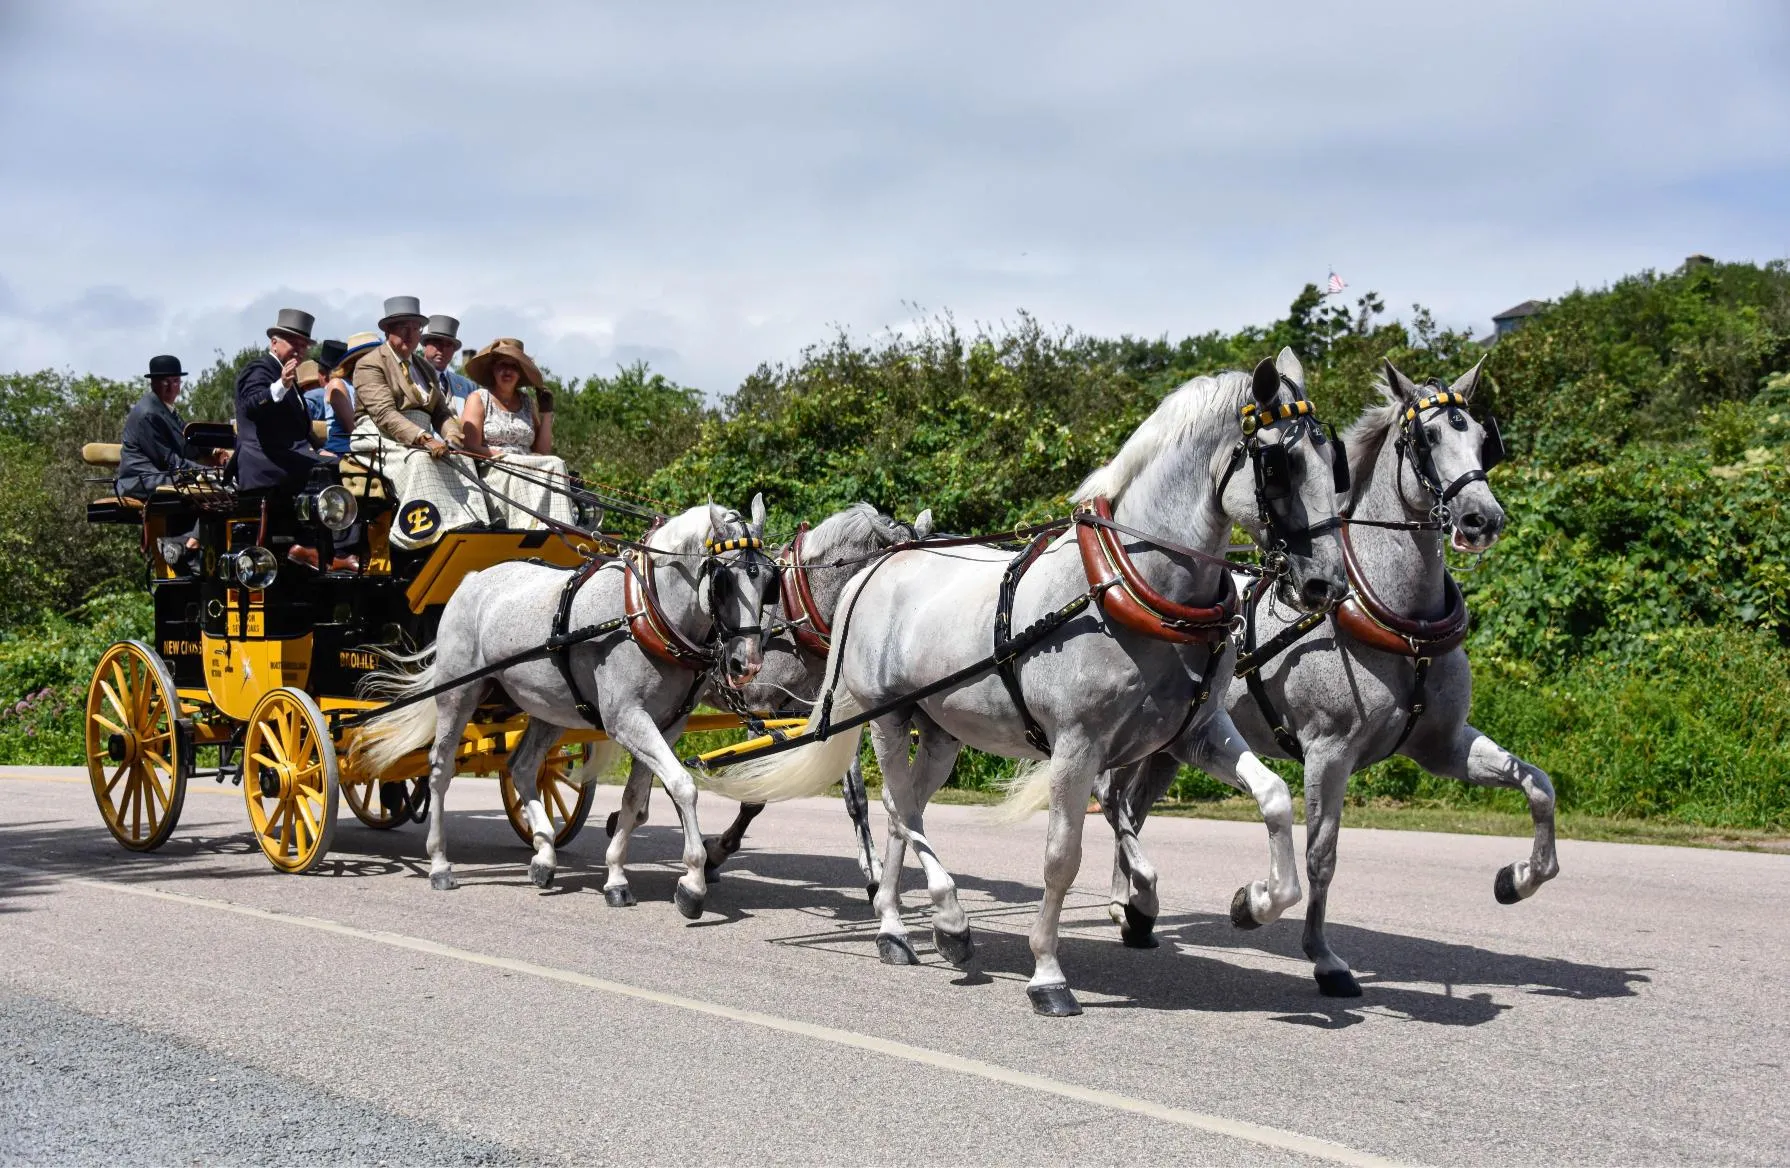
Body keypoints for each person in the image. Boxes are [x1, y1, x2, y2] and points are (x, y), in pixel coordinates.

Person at [348, 296, 491, 550]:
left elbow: (441, 412)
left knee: (462, 459)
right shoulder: (370, 364)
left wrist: (453, 437)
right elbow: (385, 415)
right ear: (387, 330)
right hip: (379, 436)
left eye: (416, 328)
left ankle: (473, 523)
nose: (410, 334)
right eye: (403, 327)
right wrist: (424, 439)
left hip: (418, 435)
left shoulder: (423, 367)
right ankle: (426, 533)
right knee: (421, 460)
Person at [237, 308, 352, 571]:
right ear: (274, 342)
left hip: (289, 453)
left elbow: (301, 428)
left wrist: (318, 448)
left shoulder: (289, 375)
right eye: (293, 343)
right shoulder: (261, 369)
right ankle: (328, 550)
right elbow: (252, 405)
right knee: (334, 472)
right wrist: (280, 386)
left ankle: (322, 545)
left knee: (343, 463)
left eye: (304, 345)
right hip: (265, 459)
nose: (299, 350)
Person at [461, 337, 575, 530]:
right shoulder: (479, 398)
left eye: (513, 366)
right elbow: (469, 445)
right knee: (521, 466)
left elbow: (542, 451)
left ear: (520, 372)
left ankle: (560, 526)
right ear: (493, 370)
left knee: (556, 462)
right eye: (502, 365)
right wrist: (503, 457)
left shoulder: (527, 402)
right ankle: (526, 527)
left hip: (527, 465)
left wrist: (546, 413)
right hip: (494, 469)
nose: (507, 371)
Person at [119, 354, 227, 499]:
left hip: (162, 476)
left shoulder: (166, 410)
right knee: (210, 492)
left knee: (222, 488)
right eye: (165, 382)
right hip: (144, 479)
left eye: (175, 381)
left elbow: (190, 437)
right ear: (153, 383)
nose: (171, 387)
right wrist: (210, 472)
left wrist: (214, 451)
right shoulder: (148, 413)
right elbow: (169, 461)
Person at [421, 315, 477, 417]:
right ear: (425, 345)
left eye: (448, 345)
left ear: (454, 350)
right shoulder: (412, 376)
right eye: (436, 342)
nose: (442, 349)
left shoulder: (467, 386)